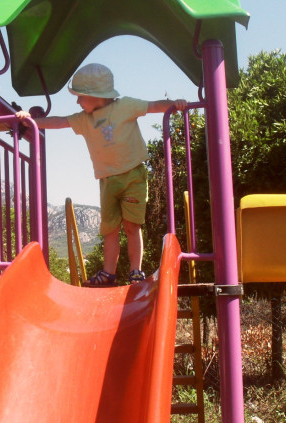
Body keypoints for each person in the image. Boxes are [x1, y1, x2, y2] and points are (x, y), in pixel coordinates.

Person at [16, 63, 187, 287]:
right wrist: (30, 121)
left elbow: (154, 105)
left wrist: (174, 105)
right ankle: (108, 273)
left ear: (94, 95)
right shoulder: (84, 119)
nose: (77, 102)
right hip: (107, 181)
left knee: (132, 226)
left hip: (133, 176)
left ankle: (135, 271)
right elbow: (59, 121)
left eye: (80, 96)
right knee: (110, 229)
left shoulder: (125, 106)